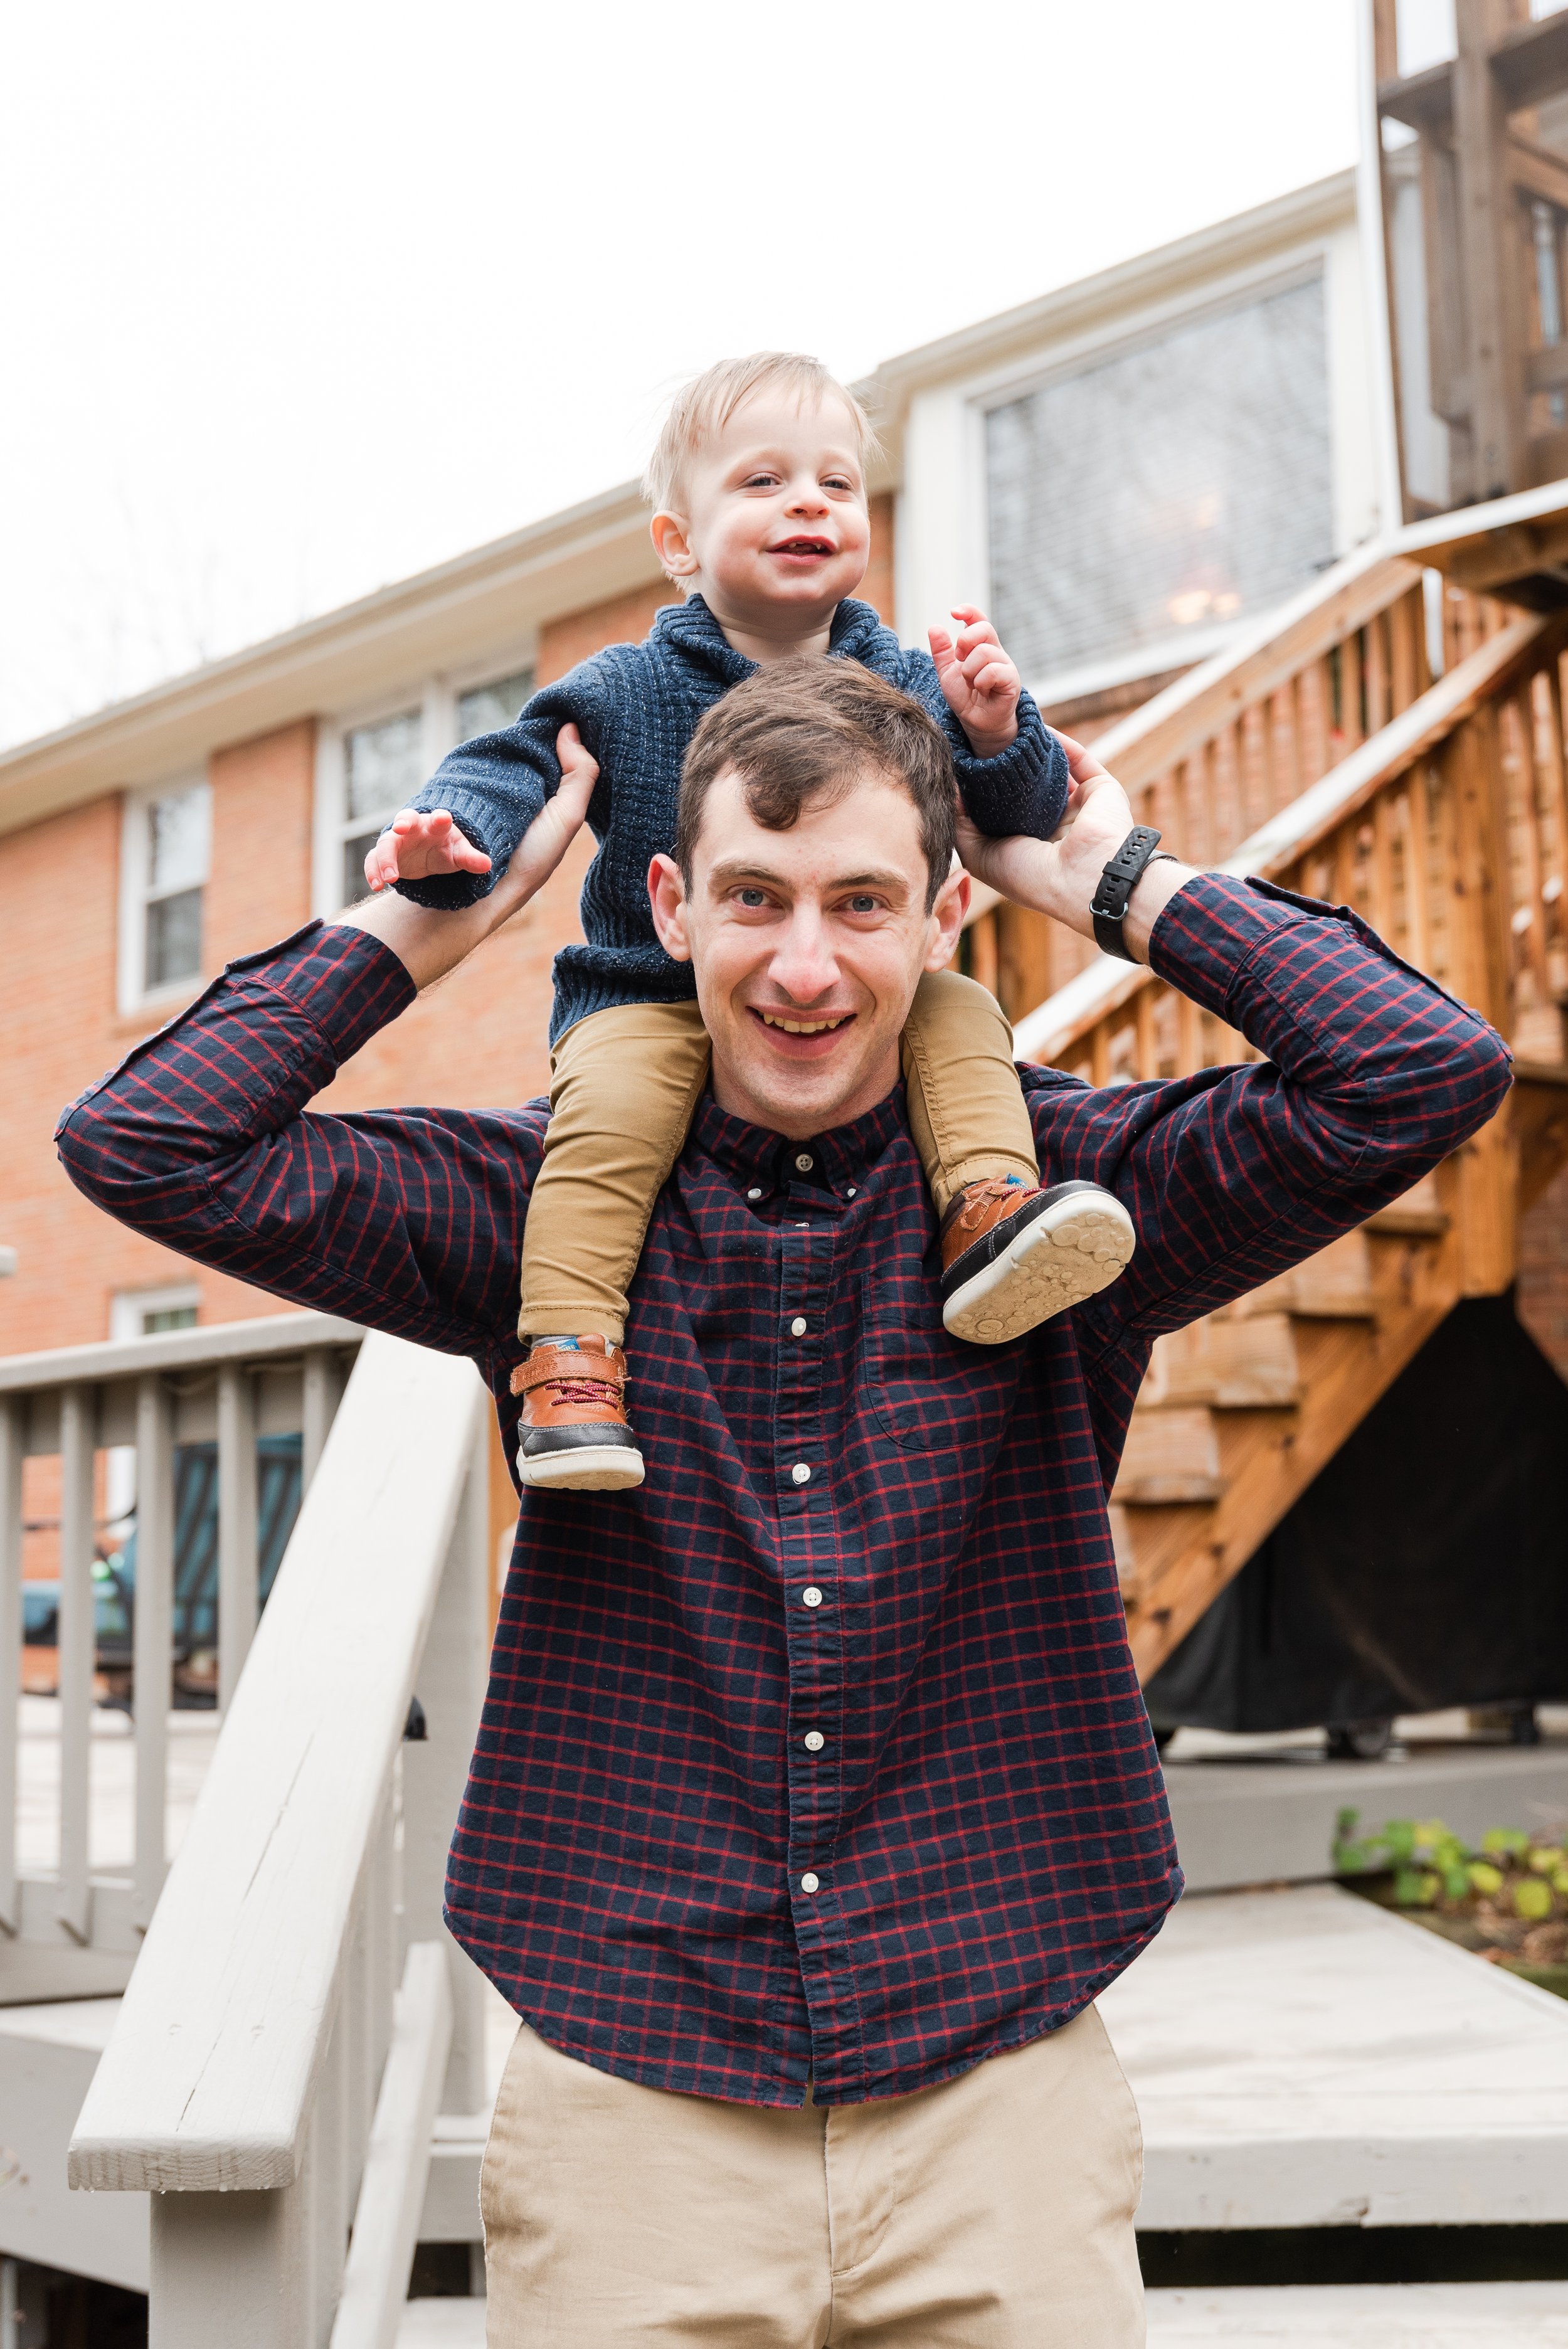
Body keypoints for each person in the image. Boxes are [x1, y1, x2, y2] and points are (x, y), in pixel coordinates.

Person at [58, 662, 1510, 2346]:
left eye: (861, 903)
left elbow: (1418, 1069)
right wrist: (424, 920)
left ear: (944, 913)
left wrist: (1110, 876)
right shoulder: (540, 1216)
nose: (805, 966)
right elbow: (148, 1144)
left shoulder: (1060, 1207)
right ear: (669, 905)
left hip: (995, 2097)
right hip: (633, 2104)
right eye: (754, 897)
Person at [361, 351, 1133, 1493]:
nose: (811, 501)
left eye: (837, 482)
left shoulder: (908, 679)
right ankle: (570, 1357)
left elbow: (1012, 817)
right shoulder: (626, 685)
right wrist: (444, 848)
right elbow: (511, 770)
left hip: (846, 993)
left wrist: (996, 727)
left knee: (964, 1013)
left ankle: (986, 1211)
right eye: (764, 481)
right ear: (679, 541)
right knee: (607, 1124)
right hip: (646, 991)